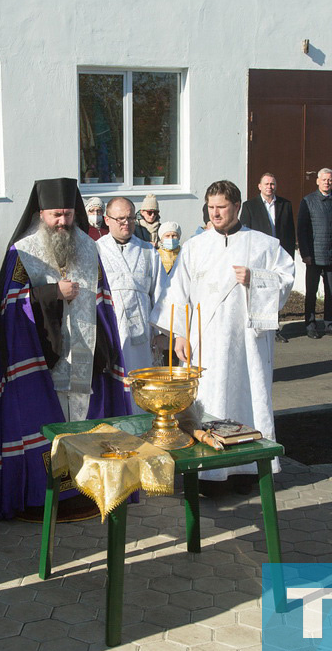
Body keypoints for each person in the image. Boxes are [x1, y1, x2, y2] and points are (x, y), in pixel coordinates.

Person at [0, 177, 132, 520]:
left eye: (66, 214)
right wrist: (51, 294)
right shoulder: (23, 251)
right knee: (45, 427)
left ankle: (83, 493)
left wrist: (107, 351)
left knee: (84, 424)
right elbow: (9, 305)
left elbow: (104, 301)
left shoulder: (89, 248)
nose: (62, 222)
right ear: (41, 214)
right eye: (54, 215)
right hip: (39, 361)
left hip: (85, 354)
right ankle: (42, 497)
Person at [154, 180, 294, 496]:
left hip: (248, 346)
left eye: (222, 207)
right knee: (209, 402)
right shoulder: (194, 246)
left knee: (247, 400)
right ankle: (208, 475)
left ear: (237, 207)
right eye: (211, 207)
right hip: (205, 345)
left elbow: (287, 280)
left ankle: (247, 471)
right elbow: (178, 293)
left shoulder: (264, 245)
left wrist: (256, 279)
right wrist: (179, 333)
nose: (215, 213)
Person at [96, 197, 162, 389]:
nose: (127, 223)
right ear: (107, 219)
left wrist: (160, 332)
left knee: (141, 388)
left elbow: (161, 293)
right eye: (121, 219)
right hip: (110, 332)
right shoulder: (96, 250)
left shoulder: (149, 251)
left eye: (131, 218)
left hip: (142, 336)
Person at [241, 172, 296, 343]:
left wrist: (290, 255)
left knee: (275, 290)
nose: (269, 187)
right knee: (260, 290)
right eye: (266, 184)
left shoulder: (285, 205)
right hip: (259, 256)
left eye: (272, 184)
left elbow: (289, 231)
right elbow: (245, 232)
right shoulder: (250, 206)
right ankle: (258, 325)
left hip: (278, 256)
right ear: (259, 186)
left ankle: (274, 327)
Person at [297, 168, 332, 338]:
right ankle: (310, 325)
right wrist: (305, 253)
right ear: (317, 181)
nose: (327, 182)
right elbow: (302, 230)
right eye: (324, 179)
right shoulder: (308, 201)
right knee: (311, 292)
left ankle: (330, 325)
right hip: (314, 256)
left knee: (331, 292)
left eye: (330, 179)